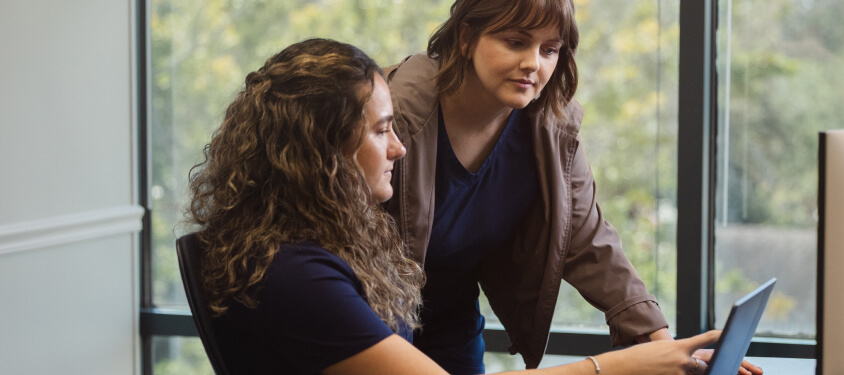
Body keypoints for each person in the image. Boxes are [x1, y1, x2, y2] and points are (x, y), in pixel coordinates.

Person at [186, 37, 723, 375]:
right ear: (320, 150)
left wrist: (658, 346)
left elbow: (587, 236)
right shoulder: (298, 273)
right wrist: (623, 366)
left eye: (551, 48)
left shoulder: (326, 248)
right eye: (381, 131)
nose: (398, 146)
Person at [384, 1, 763, 374]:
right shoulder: (392, 116)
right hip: (374, 312)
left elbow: (590, 241)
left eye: (549, 50)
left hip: (452, 316)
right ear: (466, 38)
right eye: (516, 42)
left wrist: (668, 350)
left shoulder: (548, 128)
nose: (534, 63)